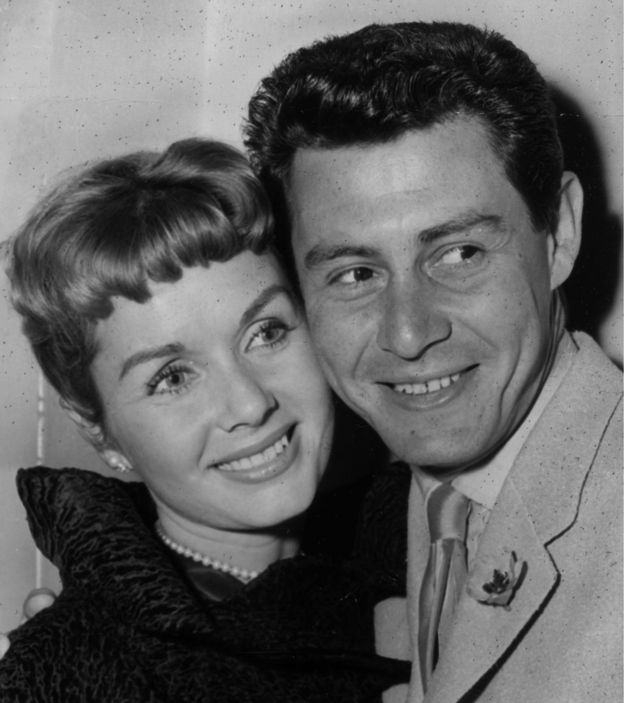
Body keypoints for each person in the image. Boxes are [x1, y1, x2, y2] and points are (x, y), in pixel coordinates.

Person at [244, 20, 623, 703]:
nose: (409, 333)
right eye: (354, 273)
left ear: (560, 233)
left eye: (460, 254)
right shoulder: (407, 506)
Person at [0, 137, 409, 701]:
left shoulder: (414, 549)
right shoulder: (71, 670)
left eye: (265, 333)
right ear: (98, 430)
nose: (250, 403)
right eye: (172, 377)